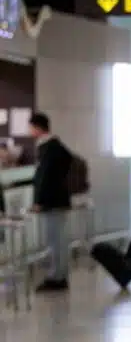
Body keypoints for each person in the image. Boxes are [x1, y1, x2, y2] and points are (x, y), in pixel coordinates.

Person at [29, 113, 73, 292]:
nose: (30, 131)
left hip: (53, 202)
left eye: (31, 127)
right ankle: (58, 274)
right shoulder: (55, 146)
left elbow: (45, 177)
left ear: (38, 127)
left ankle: (57, 277)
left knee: (56, 240)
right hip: (57, 200)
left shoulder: (49, 147)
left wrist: (39, 200)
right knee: (56, 239)